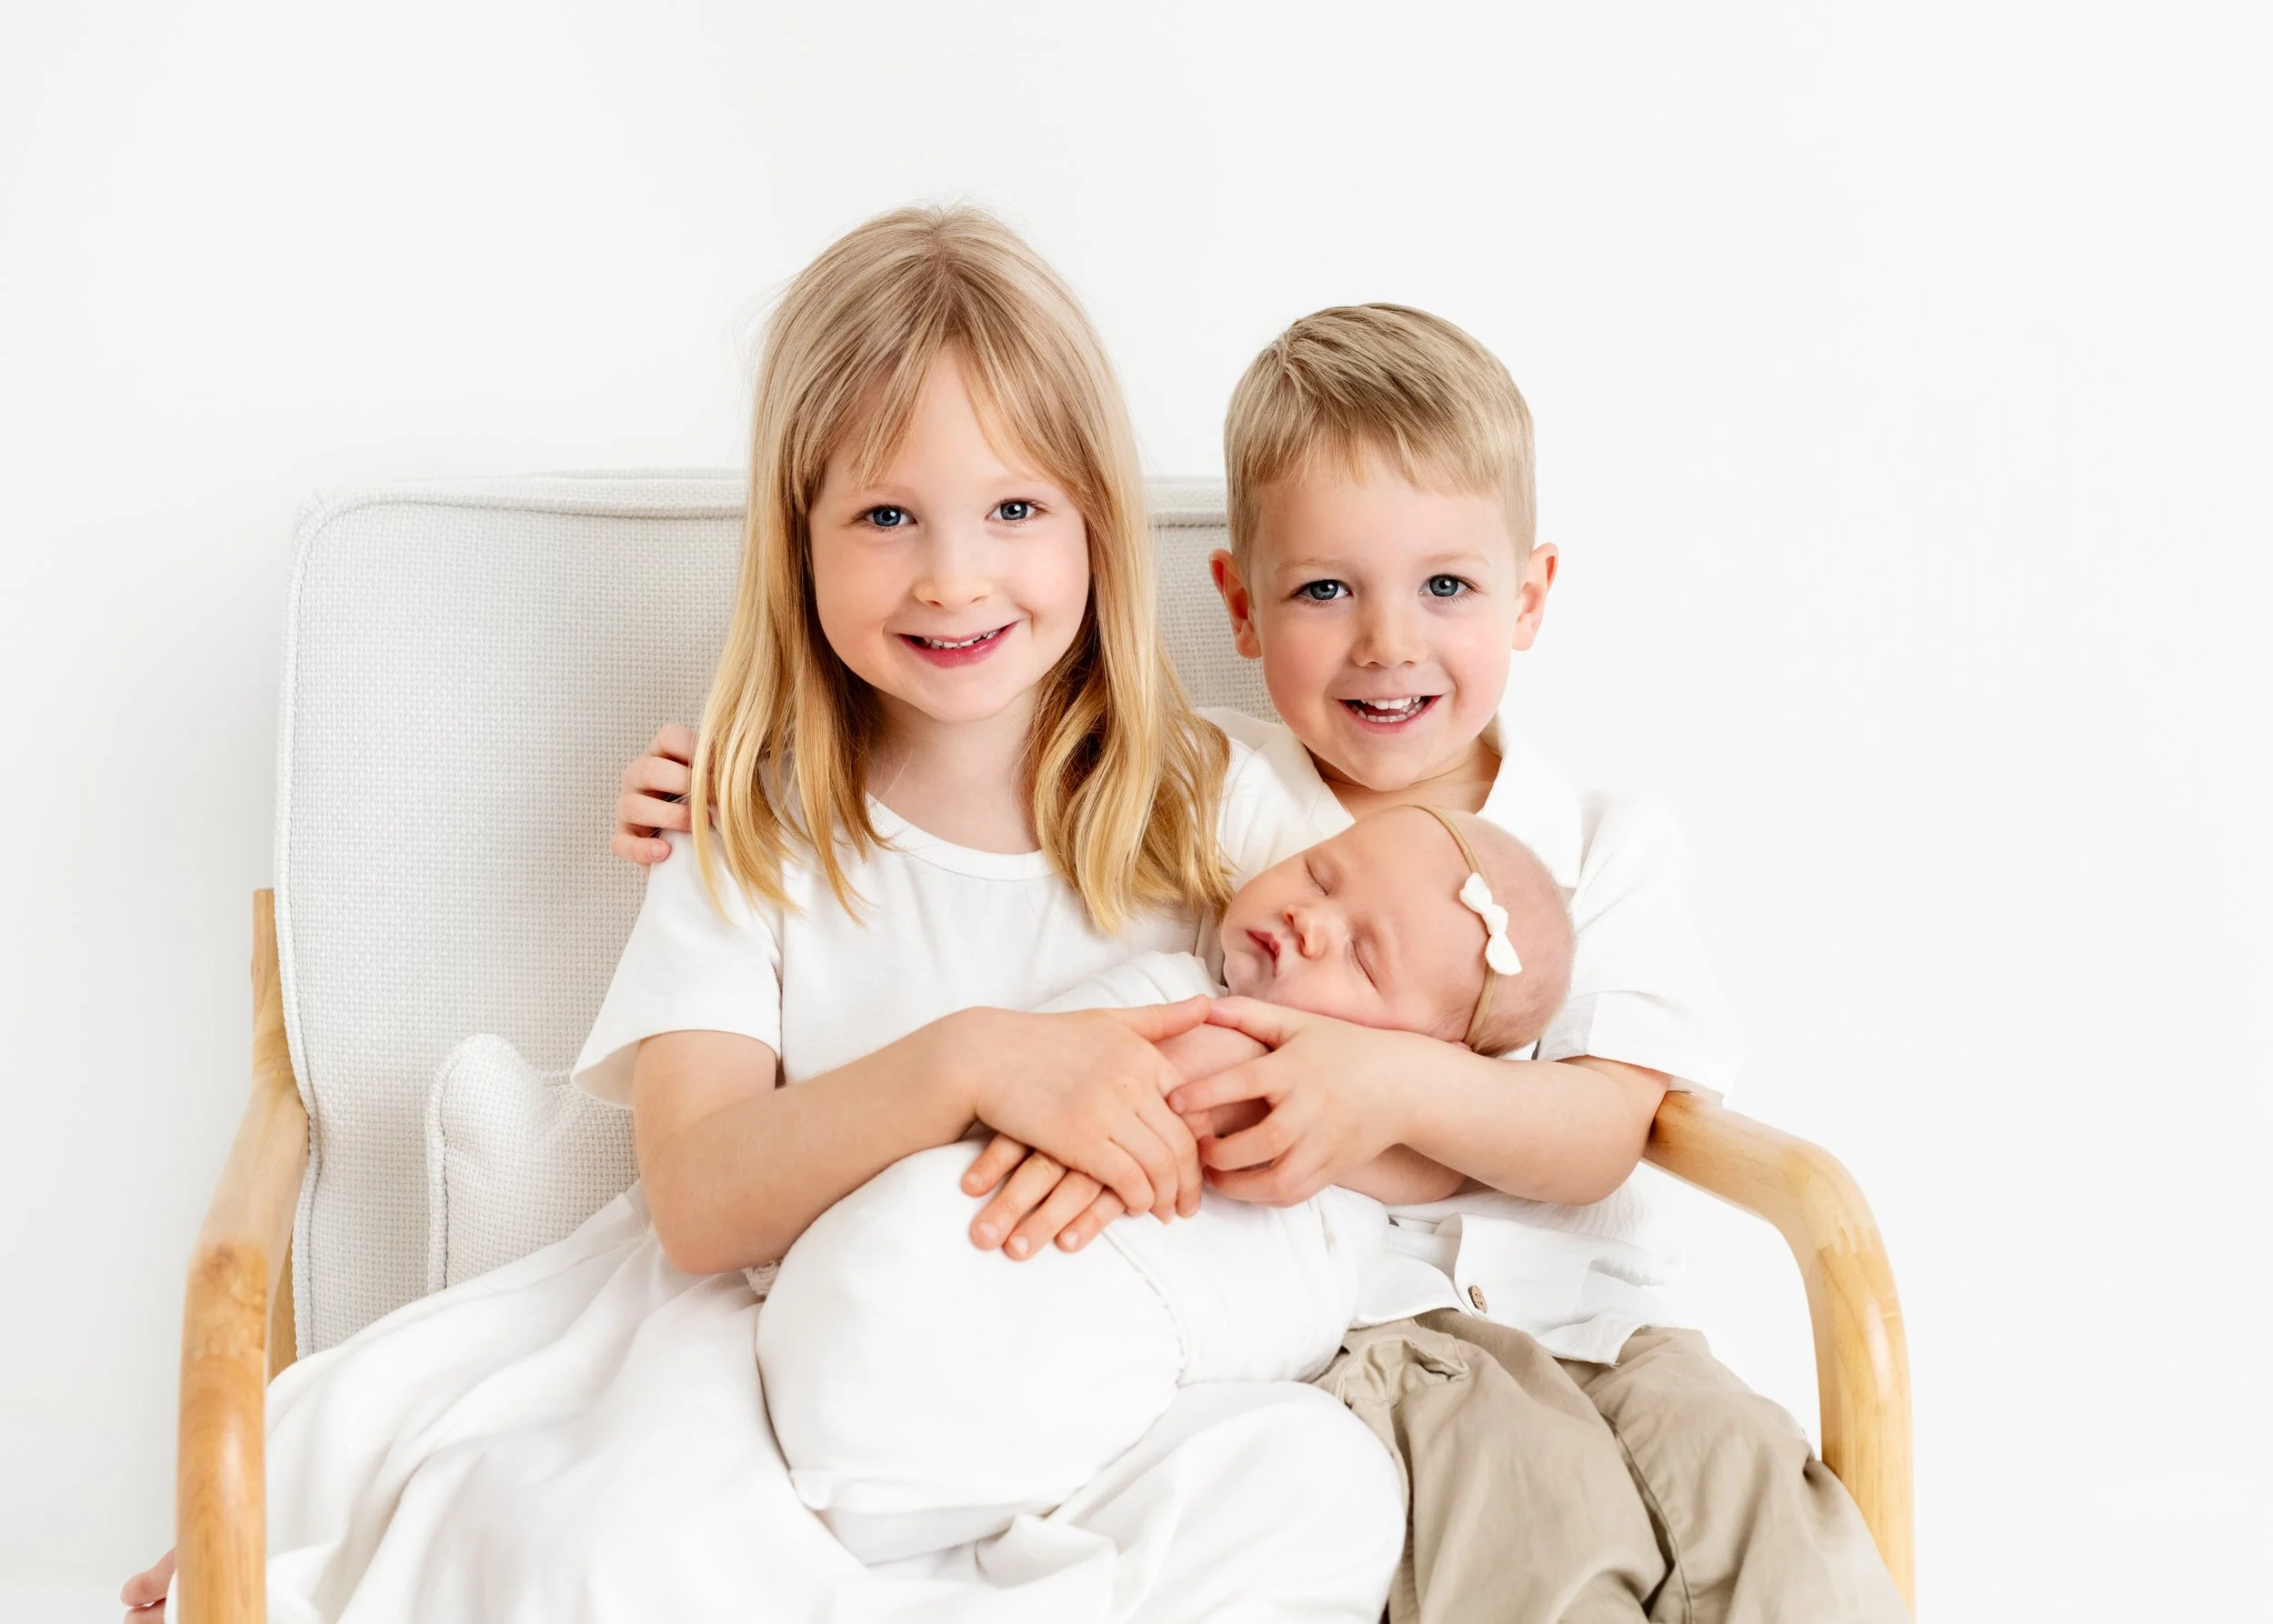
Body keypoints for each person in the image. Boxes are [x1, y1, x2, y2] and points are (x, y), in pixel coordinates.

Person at [121, 206, 1402, 1623]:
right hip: (773, 1338)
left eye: (1016, 509)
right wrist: (974, 1061)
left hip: (1090, 1362)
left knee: (1326, 1491)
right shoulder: (751, 824)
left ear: (1097, 522)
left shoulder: (1222, 797)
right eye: (885, 516)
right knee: (599, 1549)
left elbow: (1400, 1058)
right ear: (799, 547)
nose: (953, 575)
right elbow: (699, 1196)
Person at [613, 303, 1911, 1620]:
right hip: (1396, 1337)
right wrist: (713, 780)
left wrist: (1385, 1087)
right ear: (1238, 601)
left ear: (1530, 594)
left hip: (1614, 1323)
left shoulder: (1606, 848)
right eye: (1324, 590)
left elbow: (1608, 1127)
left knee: (1780, 1533)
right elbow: (990, 780)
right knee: (1545, 1544)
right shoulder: (1217, 790)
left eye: (1447, 586)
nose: (1389, 643)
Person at [757, 805, 1574, 1565]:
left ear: (1430, 1060)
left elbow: (1487, 1158)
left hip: (981, 1417)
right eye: (1319, 875)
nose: (1310, 918)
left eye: (1363, 957)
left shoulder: (1386, 1154)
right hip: (899, 1310)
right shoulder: (1163, 1003)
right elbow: (1033, 1079)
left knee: (1322, 1485)